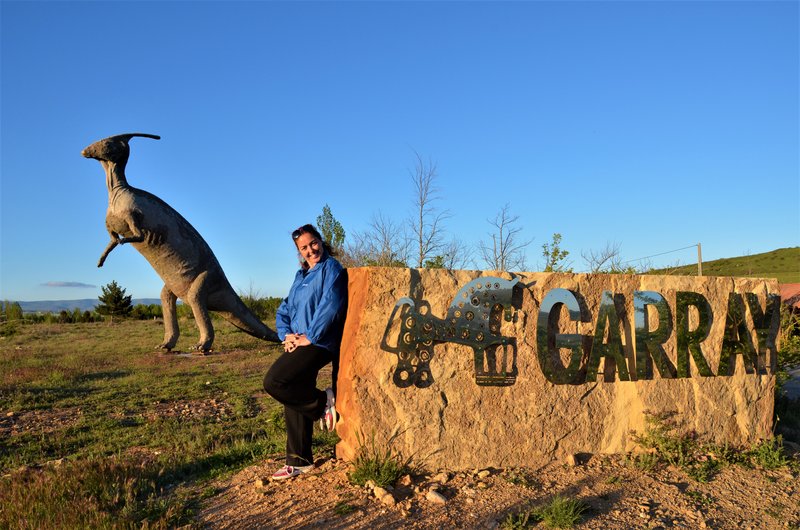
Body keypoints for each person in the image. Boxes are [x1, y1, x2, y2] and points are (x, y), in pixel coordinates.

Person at [263, 223, 348, 480]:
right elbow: (284, 309)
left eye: (313, 243)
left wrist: (309, 337)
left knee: (275, 381)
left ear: (321, 241)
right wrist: (286, 335)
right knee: (294, 390)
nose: (310, 250)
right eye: (304, 247)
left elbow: (331, 306)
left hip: (320, 343)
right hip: (299, 342)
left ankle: (322, 402)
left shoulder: (331, 269)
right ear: (299, 251)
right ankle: (300, 460)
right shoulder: (300, 276)